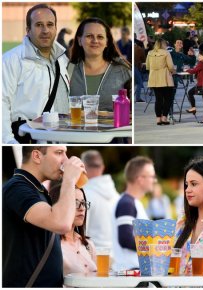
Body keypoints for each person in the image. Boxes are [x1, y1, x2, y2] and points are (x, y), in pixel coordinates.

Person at [3, 146, 85, 287]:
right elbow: (62, 224)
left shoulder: (36, 189)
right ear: (37, 156)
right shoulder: (17, 188)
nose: (65, 160)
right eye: (59, 153)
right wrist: (69, 180)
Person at [3, 4, 70, 144]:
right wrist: (8, 142)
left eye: (50, 24)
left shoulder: (62, 59)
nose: (45, 30)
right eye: (39, 25)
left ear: (55, 29)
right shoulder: (10, 60)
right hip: (27, 141)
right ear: (28, 30)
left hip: (59, 140)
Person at [69, 17, 132, 112]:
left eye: (100, 37)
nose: (95, 41)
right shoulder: (68, 69)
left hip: (114, 126)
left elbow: (131, 111)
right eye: (89, 36)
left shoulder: (123, 70)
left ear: (107, 42)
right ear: (79, 40)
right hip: (76, 126)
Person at [112, 156, 154, 271]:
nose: (154, 180)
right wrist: (155, 247)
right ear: (140, 179)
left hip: (134, 271)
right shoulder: (127, 204)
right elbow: (125, 239)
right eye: (151, 176)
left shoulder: (132, 202)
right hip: (130, 272)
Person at [49, 181, 97, 276]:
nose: (82, 208)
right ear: (58, 206)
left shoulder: (88, 244)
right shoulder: (50, 245)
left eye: (83, 203)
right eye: (75, 203)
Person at [81, 150, 119, 250]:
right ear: (102, 167)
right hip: (115, 255)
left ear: (83, 167)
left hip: (94, 255)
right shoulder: (117, 196)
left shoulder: (83, 195)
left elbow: (81, 231)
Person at [146, 38, 175, 125]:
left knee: (158, 99)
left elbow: (147, 66)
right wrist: (173, 71)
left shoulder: (150, 53)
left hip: (154, 78)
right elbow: (170, 66)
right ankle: (164, 117)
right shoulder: (166, 53)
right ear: (163, 44)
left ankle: (158, 119)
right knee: (168, 99)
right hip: (165, 78)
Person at [185, 51, 203, 124]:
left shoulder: (201, 63)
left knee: (190, 92)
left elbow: (194, 71)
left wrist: (186, 70)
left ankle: (193, 107)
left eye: (200, 56)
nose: (198, 57)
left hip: (202, 85)